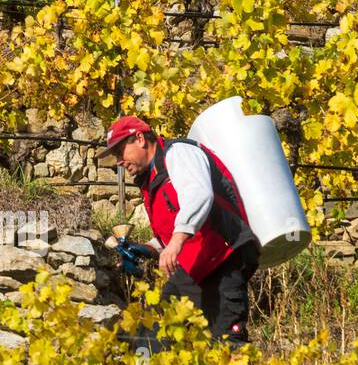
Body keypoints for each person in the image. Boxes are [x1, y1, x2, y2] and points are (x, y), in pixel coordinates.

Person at [102, 115, 260, 350]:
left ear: (139, 139)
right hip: (196, 266)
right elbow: (171, 233)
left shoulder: (178, 153)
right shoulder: (152, 180)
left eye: (120, 151)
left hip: (224, 259)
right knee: (156, 335)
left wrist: (176, 242)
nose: (118, 161)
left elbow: (199, 196)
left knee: (227, 343)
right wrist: (145, 249)